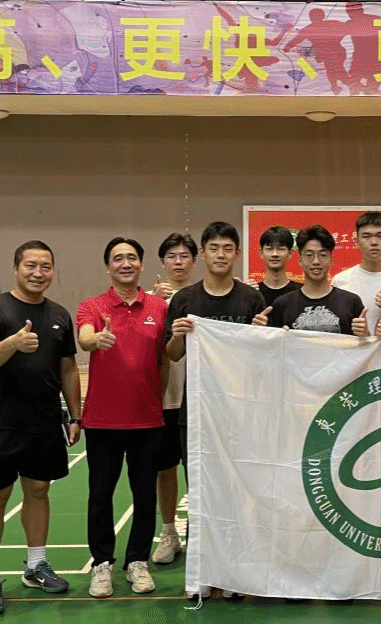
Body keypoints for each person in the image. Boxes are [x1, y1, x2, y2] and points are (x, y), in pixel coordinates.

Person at [0, 240, 82, 617]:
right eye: (31, 265)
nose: (38, 273)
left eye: (45, 266)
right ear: (16, 269)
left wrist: (75, 415)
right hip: (3, 421)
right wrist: (14, 342)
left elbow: (68, 368)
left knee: (38, 490)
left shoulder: (59, 315)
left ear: (53, 271)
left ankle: (36, 566)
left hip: (45, 421)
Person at [164, 221, 270, 600]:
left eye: (228, 248)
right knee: (201, 492)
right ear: (203, 254)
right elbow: (173, 354)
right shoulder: (184, 300)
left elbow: (263, 358)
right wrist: (177, 335)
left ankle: (235, 575)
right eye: (214, 248)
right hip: (196, 414)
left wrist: (260, 333)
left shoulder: (251, 300)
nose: (221, 254)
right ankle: (201, 573)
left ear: (236, 254)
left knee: (237, 494)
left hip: (240, 414)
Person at [76, 237, 169, 598]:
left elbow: (164, 360)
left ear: (141, 265)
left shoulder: (159, 307)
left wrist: (156, 399)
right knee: (100, 497)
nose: (125, 263)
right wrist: (95, 339)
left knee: (145, 497)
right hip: (102, 421)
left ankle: (137, 562)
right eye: (118, 258)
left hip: (147, 420)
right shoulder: (92, 306)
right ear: (108, 267)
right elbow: (84, 337)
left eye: (132, 257)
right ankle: (102, 564)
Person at [148, 233, 198, 566]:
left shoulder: (204, 297)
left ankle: (201, 534)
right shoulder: (151, 302)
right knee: (164, 469)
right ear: (162, 262)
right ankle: (169, 533)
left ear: (195, 260)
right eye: (171, 256)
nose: (178, 262)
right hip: (164, 398)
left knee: (198, 470)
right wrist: (153, 302)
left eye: (184, 256)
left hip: (199, 399)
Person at [269, 224, 365, 335]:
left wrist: (364, 335)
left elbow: (363, 343)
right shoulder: (282, 304)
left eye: (322, 255)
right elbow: (273, 344)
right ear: (300, 260)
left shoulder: (351, 302)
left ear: (331, 259)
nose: (316, 261)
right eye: (309, 255)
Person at [332, 211, 381, 336]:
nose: (374, 242)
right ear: (356, 241)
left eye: (380, 236)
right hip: (356, 348)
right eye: (366, 236)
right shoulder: (340, 281)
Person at [254, 225, 302, 306]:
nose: (275, 254)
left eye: (281, 249)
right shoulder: (253, 292)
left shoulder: (301, 292)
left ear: (290, 253)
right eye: (269, 249)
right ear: (261, 253)